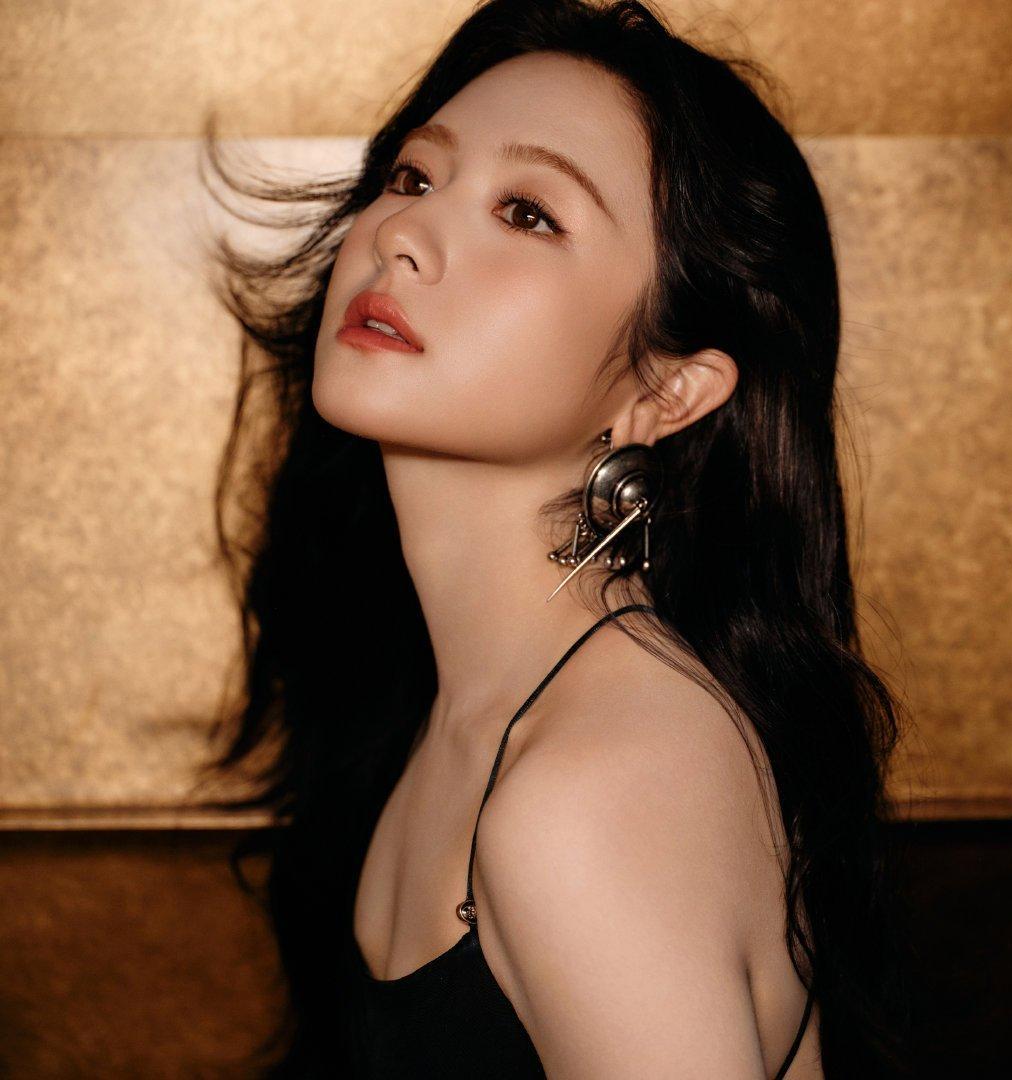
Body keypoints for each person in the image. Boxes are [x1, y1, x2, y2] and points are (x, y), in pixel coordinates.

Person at [204, 1, 913, 1076]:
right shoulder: (453, 703)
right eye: (412, 176)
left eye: (528, 212)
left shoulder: (593, 786)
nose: (401, 234)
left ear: (668, 391)